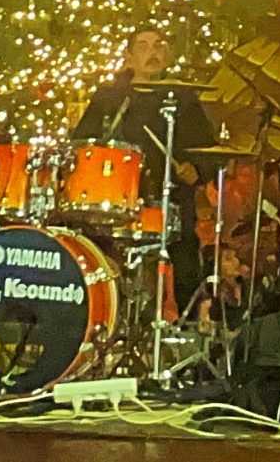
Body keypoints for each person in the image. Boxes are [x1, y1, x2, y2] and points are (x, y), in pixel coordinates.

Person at [71, 26, 216, 304]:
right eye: (144, 46)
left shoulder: (184, 99)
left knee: (186, 258)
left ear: (168, 54)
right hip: (113, 199)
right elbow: (81, 143)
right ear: (130, 56)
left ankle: (187, 328)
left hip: (168, 197)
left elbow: (208, 149)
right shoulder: (109, 98)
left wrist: (196, 169)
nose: (153, 52)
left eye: (159, 45)